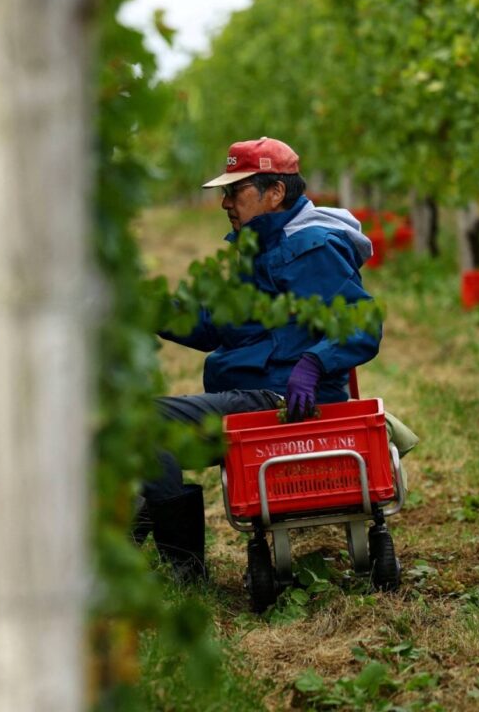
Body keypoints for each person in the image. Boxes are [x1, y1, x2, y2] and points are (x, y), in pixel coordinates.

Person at [137, 137, 380, 582]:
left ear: (275, 193)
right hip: (250, 396)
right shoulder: (255, 250)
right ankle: (132, 559)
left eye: (236, 191)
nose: (225, 202)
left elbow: (363, 323)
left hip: (282, 400)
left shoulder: (311, 247)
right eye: (225, 192)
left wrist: (314, 363)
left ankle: (184, 574)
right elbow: (212, 327)